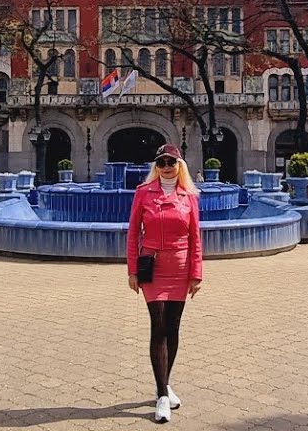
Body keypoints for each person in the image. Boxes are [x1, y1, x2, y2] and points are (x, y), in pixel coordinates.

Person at [126, 144, 203, 423]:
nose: (167, 166)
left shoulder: (190, 196)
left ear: (180, 165)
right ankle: (161, 395)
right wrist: (132, 270)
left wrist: (197, 273)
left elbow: (196, 237)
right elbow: (133, 231)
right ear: (155, 167)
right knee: (157, 327)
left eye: (171, 161)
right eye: (161, 162)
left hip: (180, 267)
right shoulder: (143, 193)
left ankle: (165, 383)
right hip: (152, 266)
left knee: (173, 328)